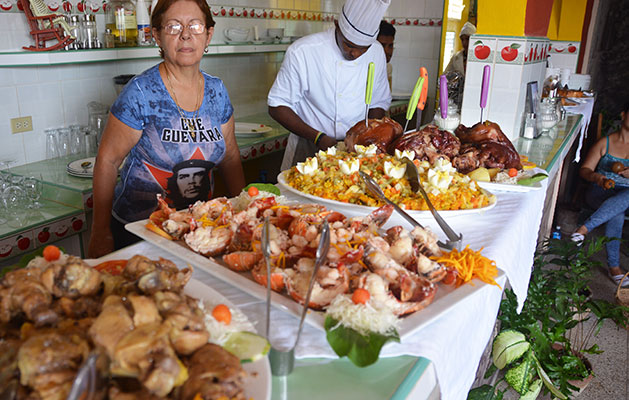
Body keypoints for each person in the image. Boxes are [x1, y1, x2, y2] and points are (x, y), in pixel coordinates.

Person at [88, 0, 245, 258]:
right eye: (173, 27)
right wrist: (100, 232)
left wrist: (242, 214)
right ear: (157, 36)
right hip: (140, 233)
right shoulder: (140, 92)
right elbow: (107, 160)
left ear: (209, 34)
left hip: (198, 230)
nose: (186, 34)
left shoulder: (217, 90)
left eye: (195, 25)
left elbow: (230, 157)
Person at [268, 0, 392, 171]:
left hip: (356, 150)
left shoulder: (377, 51)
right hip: (308, 147)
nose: (355, 54)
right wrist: (319, 138)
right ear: (336, 26)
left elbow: (379, 101)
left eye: (363, 49)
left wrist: (365, 133)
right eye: (349, 45)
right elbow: (277, 106)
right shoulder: (303, 51)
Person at [571, 104, 629, 287]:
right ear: (623, 114)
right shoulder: (605, 143)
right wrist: (596, 177)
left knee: (623, 201)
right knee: (616, 212)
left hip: (627, 194)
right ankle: (614, 268)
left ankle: (584, 229)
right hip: (601, 191)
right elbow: (585, 170)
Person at [376, 20, 396, 89]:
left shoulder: (388, 68)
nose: (387, 51)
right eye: (382, 46)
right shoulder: (363, 68)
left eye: (390, 46)